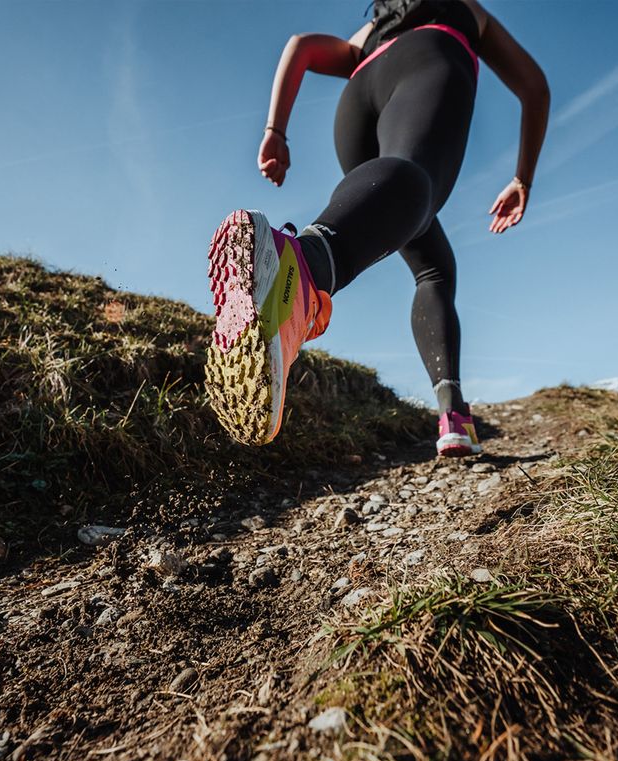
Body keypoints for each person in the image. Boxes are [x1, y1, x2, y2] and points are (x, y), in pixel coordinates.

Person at [205, 0, 550, 456]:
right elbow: (535, 88)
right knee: (413, 179)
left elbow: (301, 46)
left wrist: (276, 130)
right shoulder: (464, 8)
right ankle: (299, 267)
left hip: (357, 101)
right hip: (429, 60)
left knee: (433, 264)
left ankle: (454, 412)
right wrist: (522, 178)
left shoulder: (367, 33)